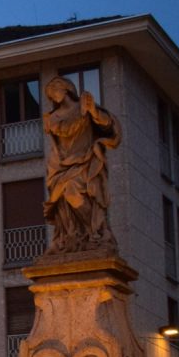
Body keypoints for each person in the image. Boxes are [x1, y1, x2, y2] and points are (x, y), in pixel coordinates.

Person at [43, 75, 121, 256]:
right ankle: (75, 235)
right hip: (62, 165)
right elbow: (59, 143)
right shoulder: (52, 118)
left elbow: (108, 126)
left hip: (85, 161)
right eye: (50, 95)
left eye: (54, 92)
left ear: (66, 89)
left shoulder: (84, 106)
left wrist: (93, 111)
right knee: (63, 196)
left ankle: (95, 231)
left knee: (72, 190)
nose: (52, 97)